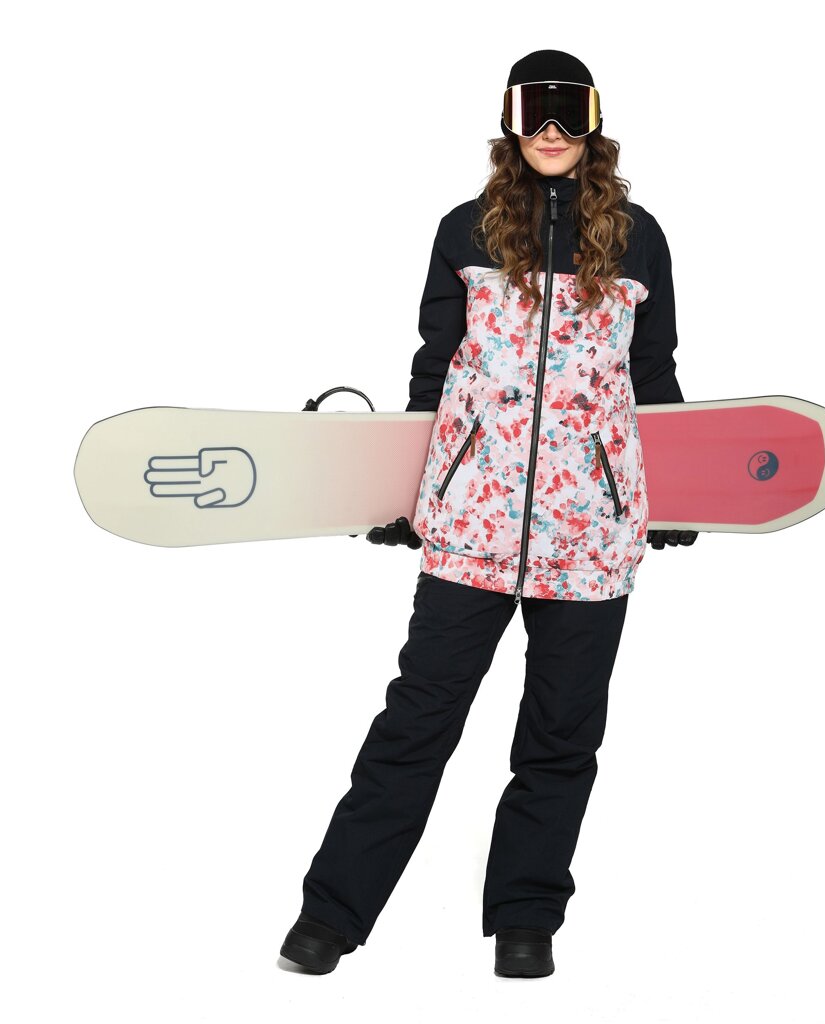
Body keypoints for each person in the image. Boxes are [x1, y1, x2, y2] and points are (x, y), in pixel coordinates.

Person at [279, 49, 696, 980]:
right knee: (417, 720)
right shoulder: (465, 229)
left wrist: (673, 493)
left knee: (562, 732)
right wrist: (405, 491)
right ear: (510, 120)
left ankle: (525, 916)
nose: (551, 130)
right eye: (534, 110)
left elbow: (654, 372)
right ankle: (331, 914)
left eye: (568, 111)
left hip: (591, 532)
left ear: (593, 121)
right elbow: (433, 369)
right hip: (470, 522)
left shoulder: (638, 238)